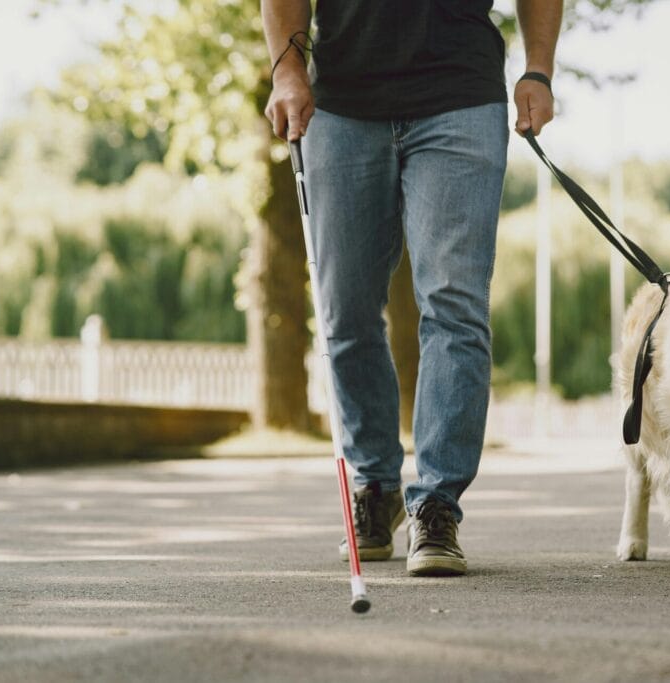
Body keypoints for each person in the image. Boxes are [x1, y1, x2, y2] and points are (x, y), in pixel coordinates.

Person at [261, 0, 562, 576]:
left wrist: (538, 69)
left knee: (454, 303)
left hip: (461, 98)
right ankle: (375, 487)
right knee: (344, 310)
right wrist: (287, 70)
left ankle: (437, 505)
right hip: (343, 104)